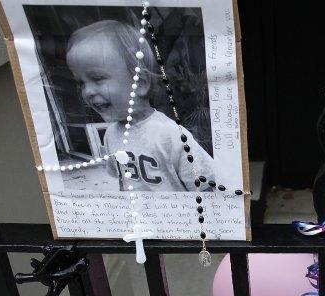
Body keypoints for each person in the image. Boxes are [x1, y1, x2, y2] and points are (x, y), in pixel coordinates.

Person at [66, 19, 214, 192]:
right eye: (81, 83)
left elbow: (205, 188)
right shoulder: (110, 134)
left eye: (97, 78)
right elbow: (123, 181)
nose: (88, 91)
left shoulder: (170, 135)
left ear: (140, 84)